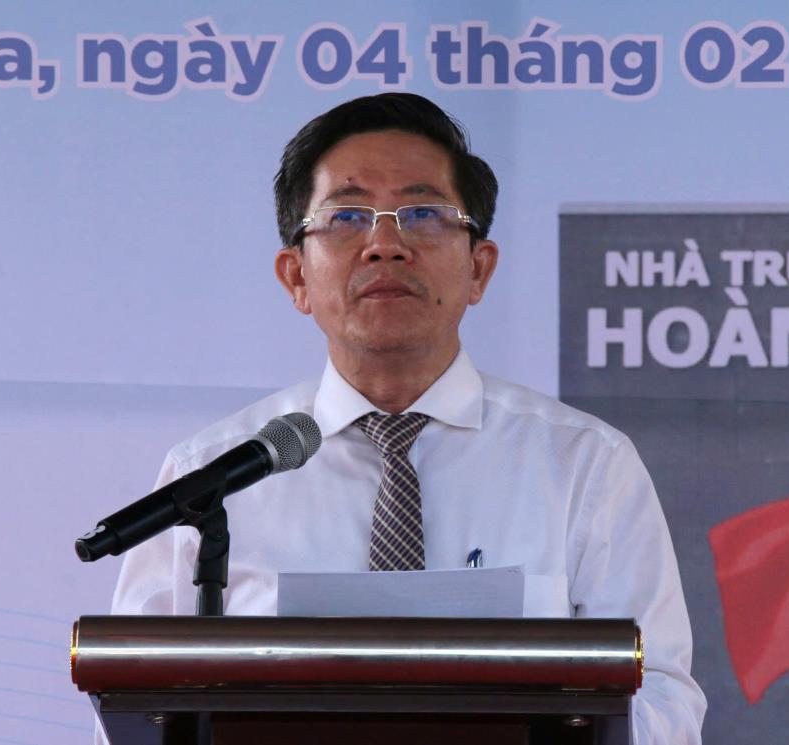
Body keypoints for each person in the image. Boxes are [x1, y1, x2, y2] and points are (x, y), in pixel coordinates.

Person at [106, 92, 706, 743]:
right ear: (296, 277)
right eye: (346, 216)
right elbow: (134, 704)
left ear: (479, 269)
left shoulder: (585, 465)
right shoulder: (209, 477)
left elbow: (662, 700)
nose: (384, 244)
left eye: (423, 213)